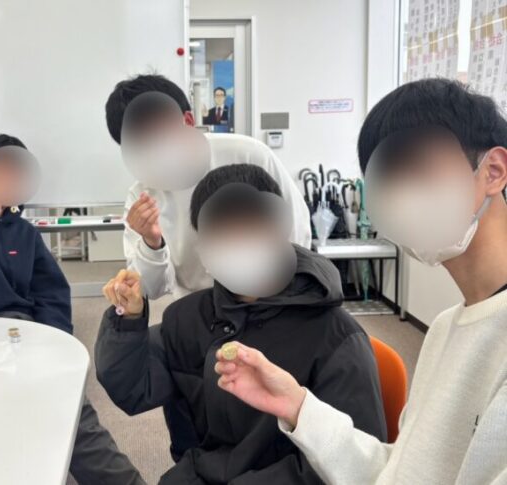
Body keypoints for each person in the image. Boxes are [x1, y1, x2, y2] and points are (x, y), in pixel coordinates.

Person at [214, 79, 507, 485]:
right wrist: (298, 406)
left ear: (493, 171)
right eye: (388, 178)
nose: (403, 195)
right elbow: (402, 470)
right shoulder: (445, 329)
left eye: (417, 165)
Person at [95, 163, 387, 484]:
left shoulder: (335, 335)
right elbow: (133, 390)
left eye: (251, 227)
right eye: (221, 232)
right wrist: (128, 321)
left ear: (280, 230)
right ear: (203, 246)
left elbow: (353, 462)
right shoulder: (186, 319)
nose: (238, 242)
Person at [0, 133, 145, 485]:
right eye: (0, 170)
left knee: (72, 415)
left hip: (15, 336)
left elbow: (51, 293)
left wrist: (50, 344)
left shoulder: (23, 232)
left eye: (17, 172)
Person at [105, 74, 311, 301]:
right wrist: (151, 244)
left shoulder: (248, 153)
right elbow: (152, 289)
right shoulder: (141, 196)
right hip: (198, 305)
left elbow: (297, 230)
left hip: (269, 298)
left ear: (187, 121)